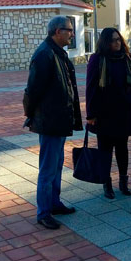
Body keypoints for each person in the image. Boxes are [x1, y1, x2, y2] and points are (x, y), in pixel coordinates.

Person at [24, 16, 83, 230]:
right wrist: (32, 115)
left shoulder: (57, 53)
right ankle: (43, 212)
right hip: (49, 121)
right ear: (57, 31)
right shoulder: (44, 55)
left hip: (59, 120)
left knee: (56, 165)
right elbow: (33, 90)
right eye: (69, 30)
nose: (72, 34)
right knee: (48, 168)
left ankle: (54, 203)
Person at [86, 28, 131, 199]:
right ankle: (106, 183)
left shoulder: (127, 57)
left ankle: (123, 182)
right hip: (104, 113)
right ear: (105, 42)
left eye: (118, 39)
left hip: (123, 111)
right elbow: (91, 88)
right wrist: (91, 114)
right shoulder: (97, 59)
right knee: (105, 150)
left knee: (122, 149)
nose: (117, 43)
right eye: (112, 40)